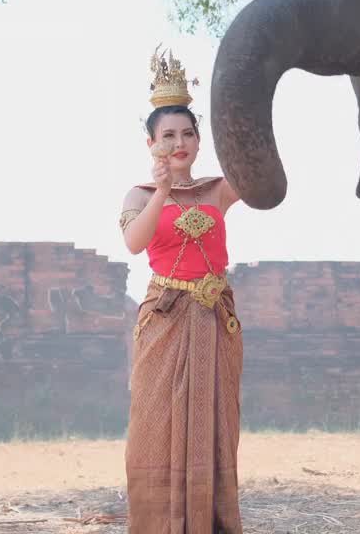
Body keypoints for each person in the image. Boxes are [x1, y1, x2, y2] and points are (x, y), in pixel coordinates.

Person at [118, 48, 245, 533]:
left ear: (198, 138)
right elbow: (135, 243)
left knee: (216, 420)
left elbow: (266, 186)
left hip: (215, 318)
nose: (179, 143)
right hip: (165, 318)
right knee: (154, 421)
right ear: (150, 142)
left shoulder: (219, 189)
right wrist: (165, 191)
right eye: (167, 135)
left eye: (187, 133)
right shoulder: (140, 195)